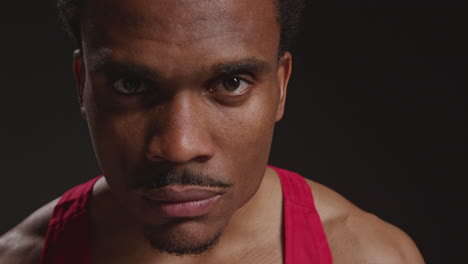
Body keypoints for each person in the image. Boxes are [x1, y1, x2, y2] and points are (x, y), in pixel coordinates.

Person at [0, 0, 425, 263]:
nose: (179, 146)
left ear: (281, 87)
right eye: (131, 85)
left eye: (231, 83)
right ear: (83, 85)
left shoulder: (368, 257)